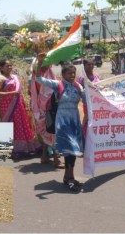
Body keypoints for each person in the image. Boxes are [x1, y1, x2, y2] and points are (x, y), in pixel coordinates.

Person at [35, 55, 84, 192]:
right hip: (63, 121)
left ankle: (68, 177)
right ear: (63, 74)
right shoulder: (58, 85)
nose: (72, 75)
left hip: (74, 120)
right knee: (70, 149)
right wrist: (39, 63)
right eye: (69, 73)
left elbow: (87, 100)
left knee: (73, 152)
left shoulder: (78, 86)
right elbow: (39, 79)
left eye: (74, 73)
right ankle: (70, 178)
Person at [0, 59, 37, 159]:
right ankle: (13, 150)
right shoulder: (1, 79)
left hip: (18, 105)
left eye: (10, 66)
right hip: (7, 106)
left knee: (21, 124)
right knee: (12, 126)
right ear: (1, 68)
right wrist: (12, 93)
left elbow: (19, 92)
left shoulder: (14, 77)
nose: (9, 68)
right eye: (7, 66)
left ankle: (24, 148)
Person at [29, 58, 63, 168]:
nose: (47, 64)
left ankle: (44, 156)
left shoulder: (49, 72)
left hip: (51, 104)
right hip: (44, 107)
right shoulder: (36, 76)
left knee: (47, 131)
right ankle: (55, 158)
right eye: (44, 63)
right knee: (51, 130)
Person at [79, 58, 101, 138]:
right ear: (84, 66)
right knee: (88, 117)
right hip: (87, 101)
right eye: (88, 64)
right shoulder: (82, 78)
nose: (91, 66)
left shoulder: (97, 75)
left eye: (92, 64)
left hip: (97, 101)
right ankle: (84, 134)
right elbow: (83, 90)